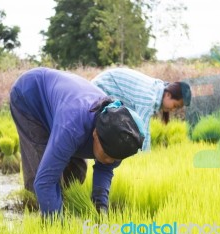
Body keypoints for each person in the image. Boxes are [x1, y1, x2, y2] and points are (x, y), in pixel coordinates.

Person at [9, 67, 145, 217]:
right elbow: (45, 182)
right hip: (30, 98)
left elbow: (105, 170)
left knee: (76, 173)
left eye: (115, 159)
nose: (110, 161)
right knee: (41, 173)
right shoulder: (73, 126)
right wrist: (57, 229)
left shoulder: (118, 139)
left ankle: (63, 208)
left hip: (64, 105)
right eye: (107, 155)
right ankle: (41, 216)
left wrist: (101, 208)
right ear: (95, 133)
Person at [92, 68, 192, 151]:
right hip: (99, 91)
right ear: (168, 95)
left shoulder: (157, 89)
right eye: (175, 105)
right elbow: (142, 133)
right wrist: (146, 159)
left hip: (106, 94)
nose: (173, 110)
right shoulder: (149, 98)